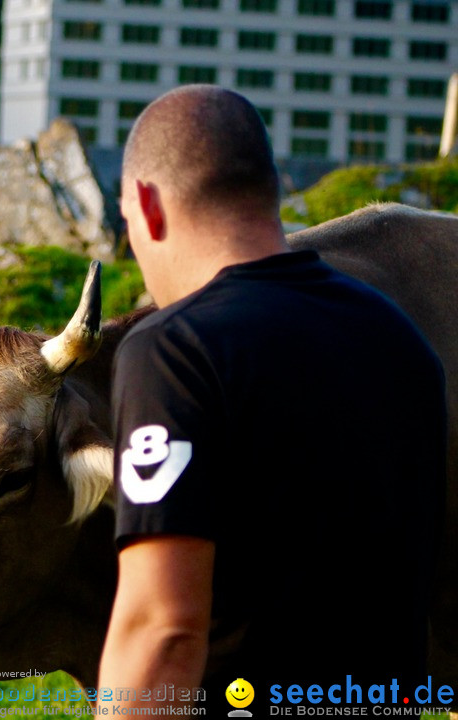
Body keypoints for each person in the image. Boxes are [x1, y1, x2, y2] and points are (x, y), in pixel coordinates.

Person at [97, 85, 446, 711]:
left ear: (146, 208)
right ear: (270, 189)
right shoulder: (402, 341)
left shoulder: (173, 352)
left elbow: (163, 632)